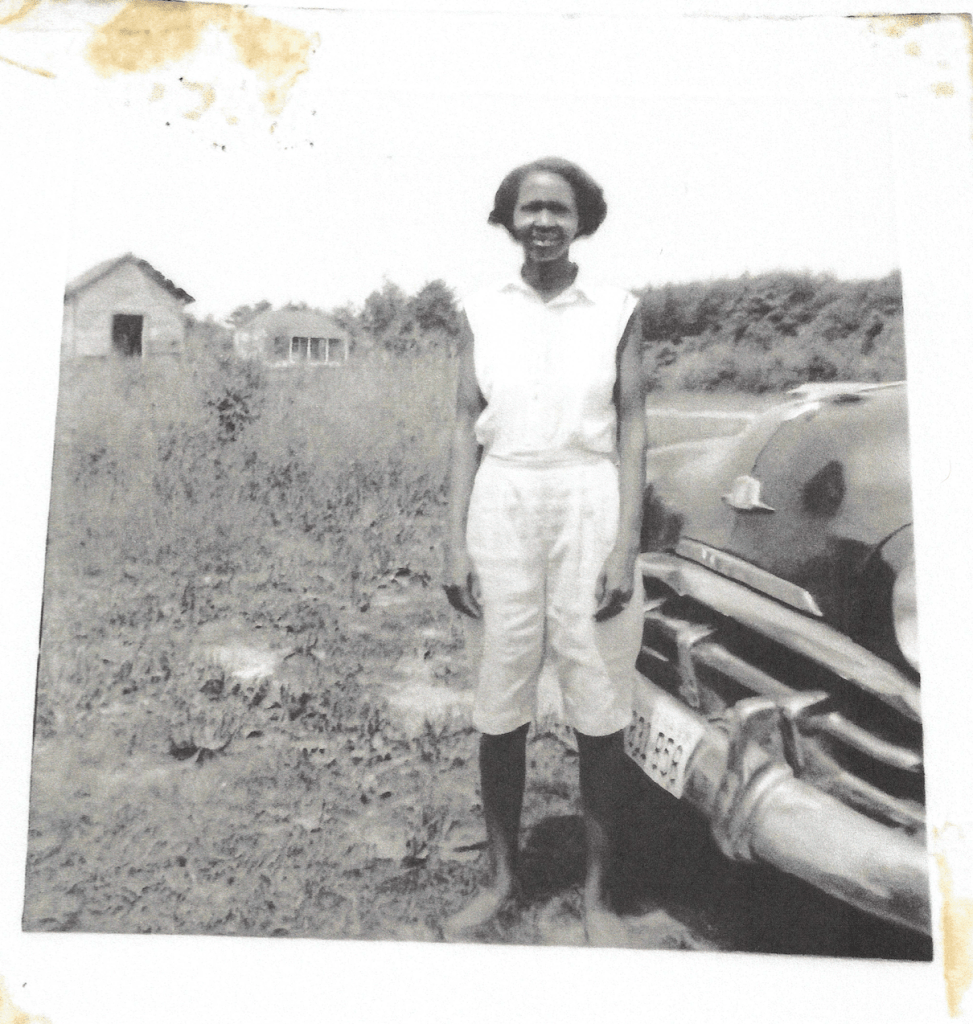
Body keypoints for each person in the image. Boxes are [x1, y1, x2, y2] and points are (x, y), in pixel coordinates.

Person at [443, 156, 647, 945]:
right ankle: (501, 880)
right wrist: (453, 539)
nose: (542, 223)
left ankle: (600, 899)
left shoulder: (618, 308)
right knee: (500, 702)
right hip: (503, 499)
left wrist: (625, 543)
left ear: (581, 219)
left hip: (588, 500)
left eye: (558, 210)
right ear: (508, 218)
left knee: (598, 702)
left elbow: (632, 423)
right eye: (528, 209)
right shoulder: (478, 307)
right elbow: (464, 422)